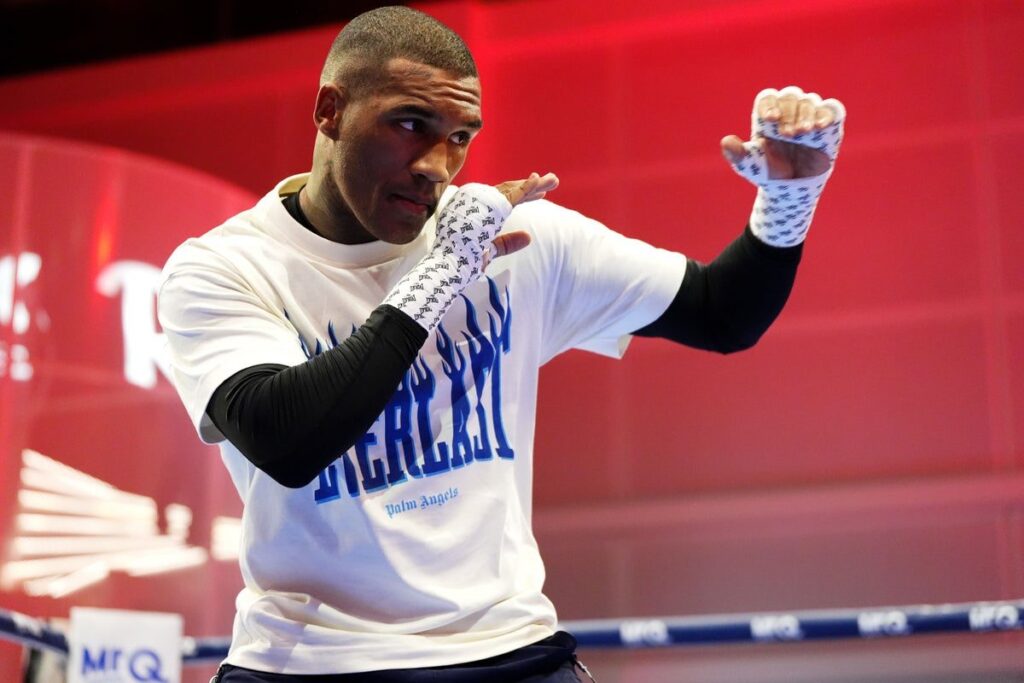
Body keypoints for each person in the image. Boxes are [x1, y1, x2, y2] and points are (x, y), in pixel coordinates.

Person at [157, 6, 846, 682]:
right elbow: (286, 440)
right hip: (310, 659)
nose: (436, 164)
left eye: (460, 136)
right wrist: (439, 275)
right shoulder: (224, 268)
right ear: (330, 110)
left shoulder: (518, 239)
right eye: (409, 124)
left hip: (507, 648)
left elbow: (721, 313)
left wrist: (789, 200)